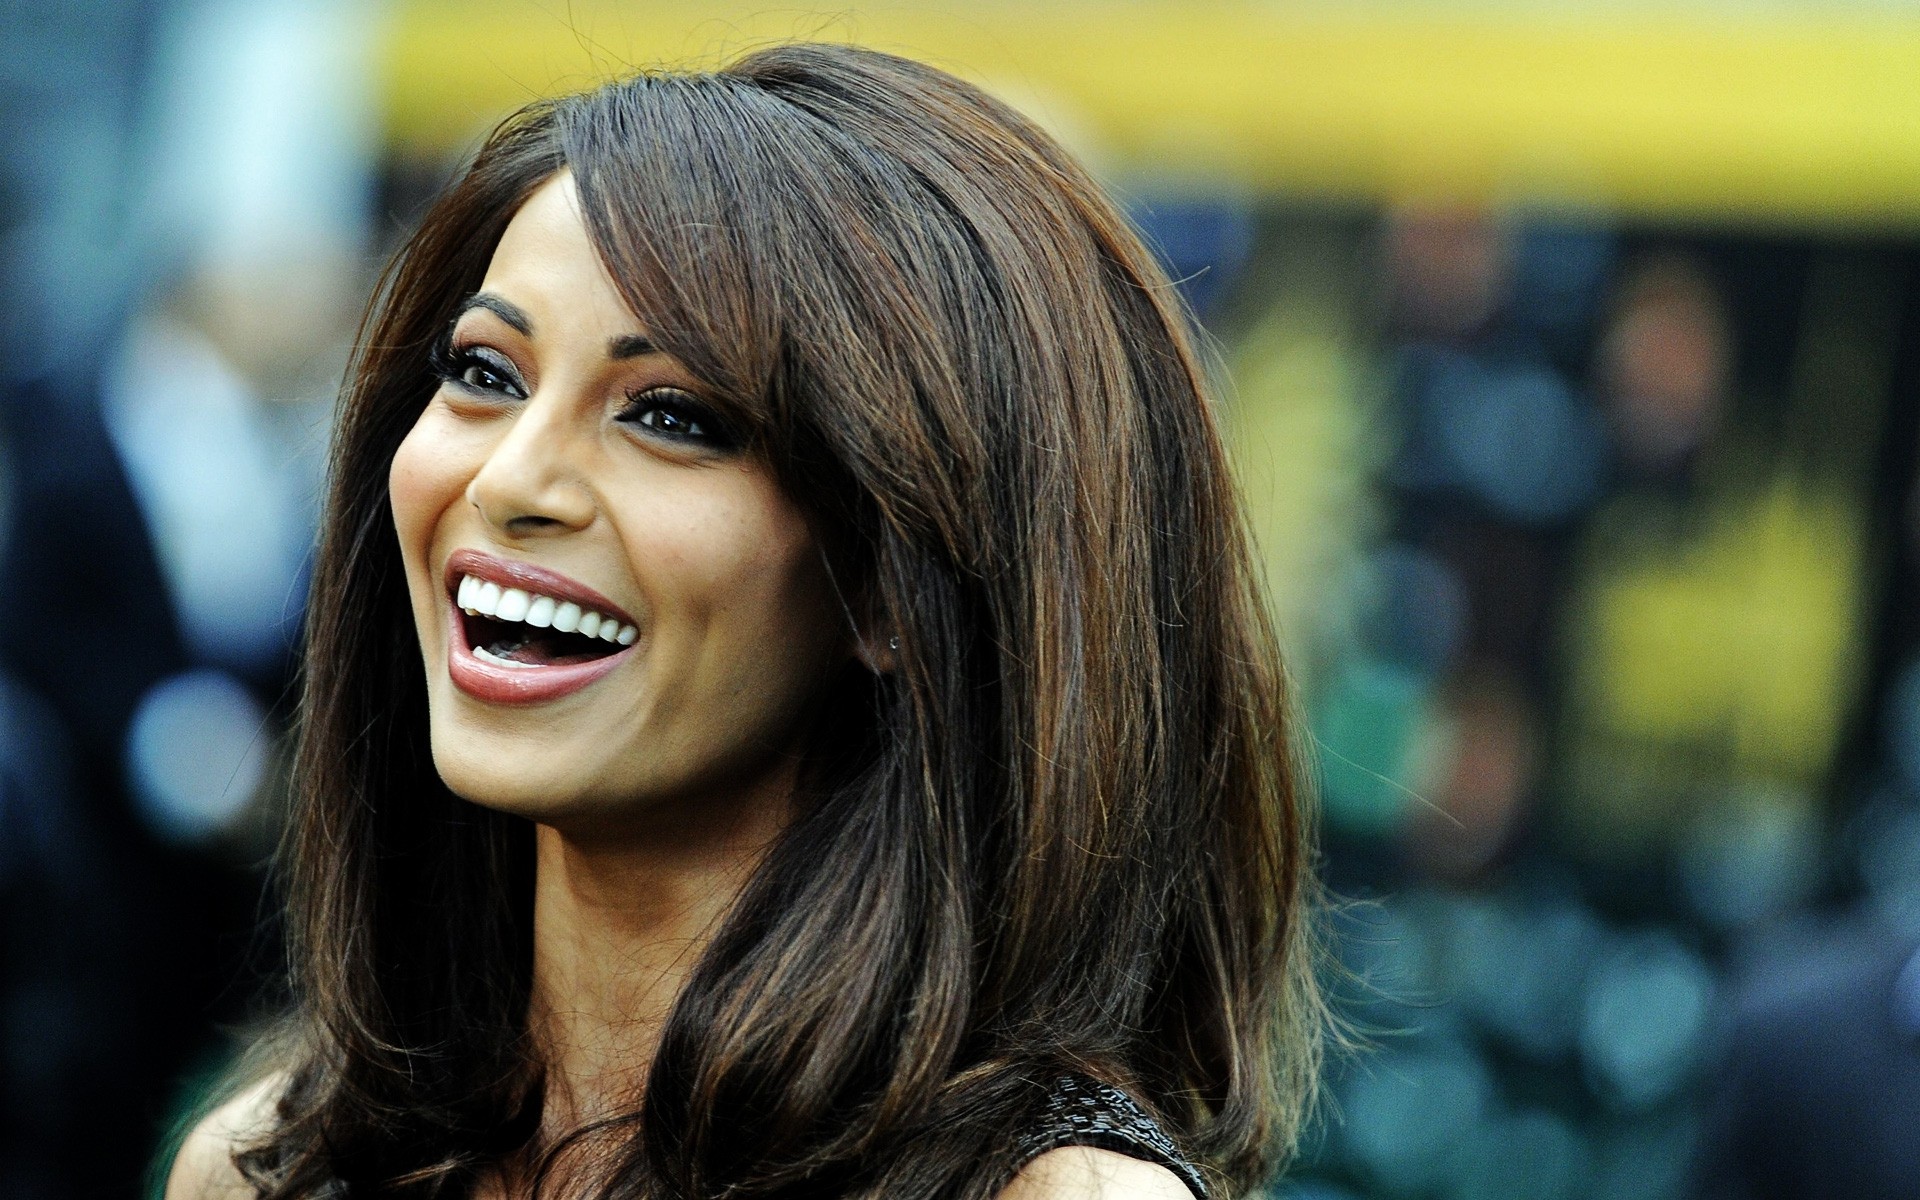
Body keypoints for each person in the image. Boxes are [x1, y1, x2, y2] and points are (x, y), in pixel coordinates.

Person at [162, 42, 1325, 1200]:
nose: (511, 480)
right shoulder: (262, 1169)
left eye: (670, 415)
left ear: (896, 584)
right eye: (486, 372)